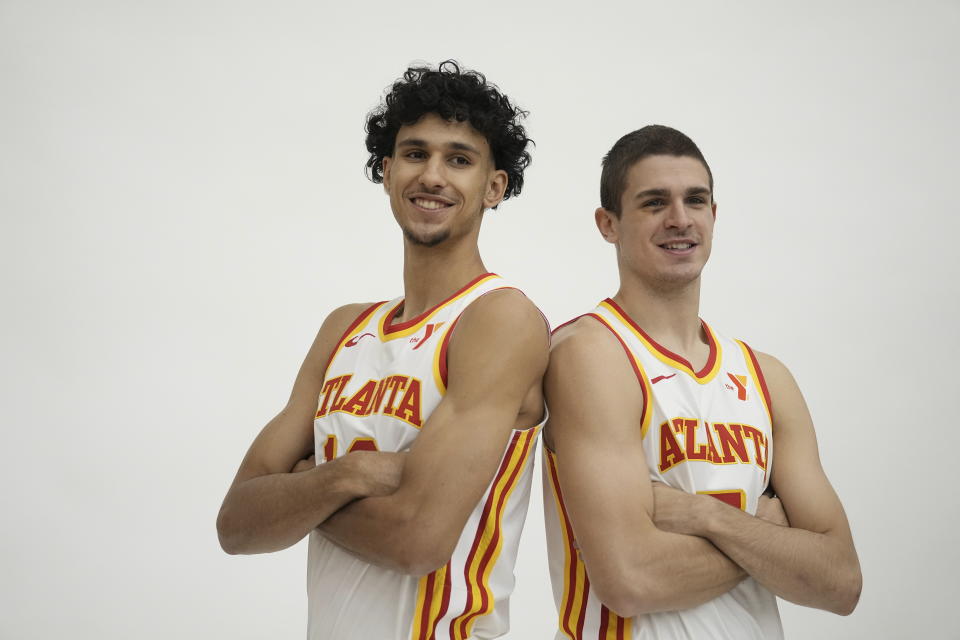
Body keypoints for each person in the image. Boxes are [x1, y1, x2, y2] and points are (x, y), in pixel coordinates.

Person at [216, 61, 548, 640]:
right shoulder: (345, 328)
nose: (433, 175)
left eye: (460, 159)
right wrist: (349, 474)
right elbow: (237, 523)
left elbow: (417, 538)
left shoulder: (499, 319)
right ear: (388, 169)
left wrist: (299, 489)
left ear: (494, 187)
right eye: (415, 153)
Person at [543, 125, 862, 639]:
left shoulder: (765, 376)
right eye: (653, 203)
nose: (680, 219)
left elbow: (841, 581)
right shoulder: (591, 356)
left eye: (696, 200)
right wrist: (770, 532)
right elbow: (631, 578)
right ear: (609, 224)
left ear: (714, 216)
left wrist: (705, 517)